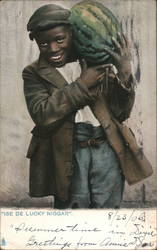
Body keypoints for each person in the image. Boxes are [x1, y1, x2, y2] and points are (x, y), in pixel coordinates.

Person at [23, 3, 136, 209]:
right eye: (44, 44)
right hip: (68, 152)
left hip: (107, 149)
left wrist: (125, 73)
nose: (53, 49)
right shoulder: (33, 73)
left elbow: (121, 112)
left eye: (59, 40)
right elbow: (43, 115)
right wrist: (83, 84)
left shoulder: (96, 60)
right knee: (73, 213)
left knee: (108, 213)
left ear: (73, 34)